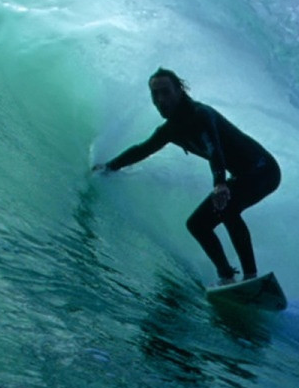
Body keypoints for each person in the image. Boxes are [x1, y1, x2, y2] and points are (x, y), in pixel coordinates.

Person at [93, 69, 281, 286]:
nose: (161, 99)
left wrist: (220, 183)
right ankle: (227, 276)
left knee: (228, 207)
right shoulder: (170, 130)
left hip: (263, 170)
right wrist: (108, 167)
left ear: (179, 91)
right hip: (243, 176)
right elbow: (142, 150)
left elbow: (214, 148)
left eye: (166, 92)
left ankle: (250, 277)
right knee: (197, 225)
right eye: (156, 95)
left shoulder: (201, 115)